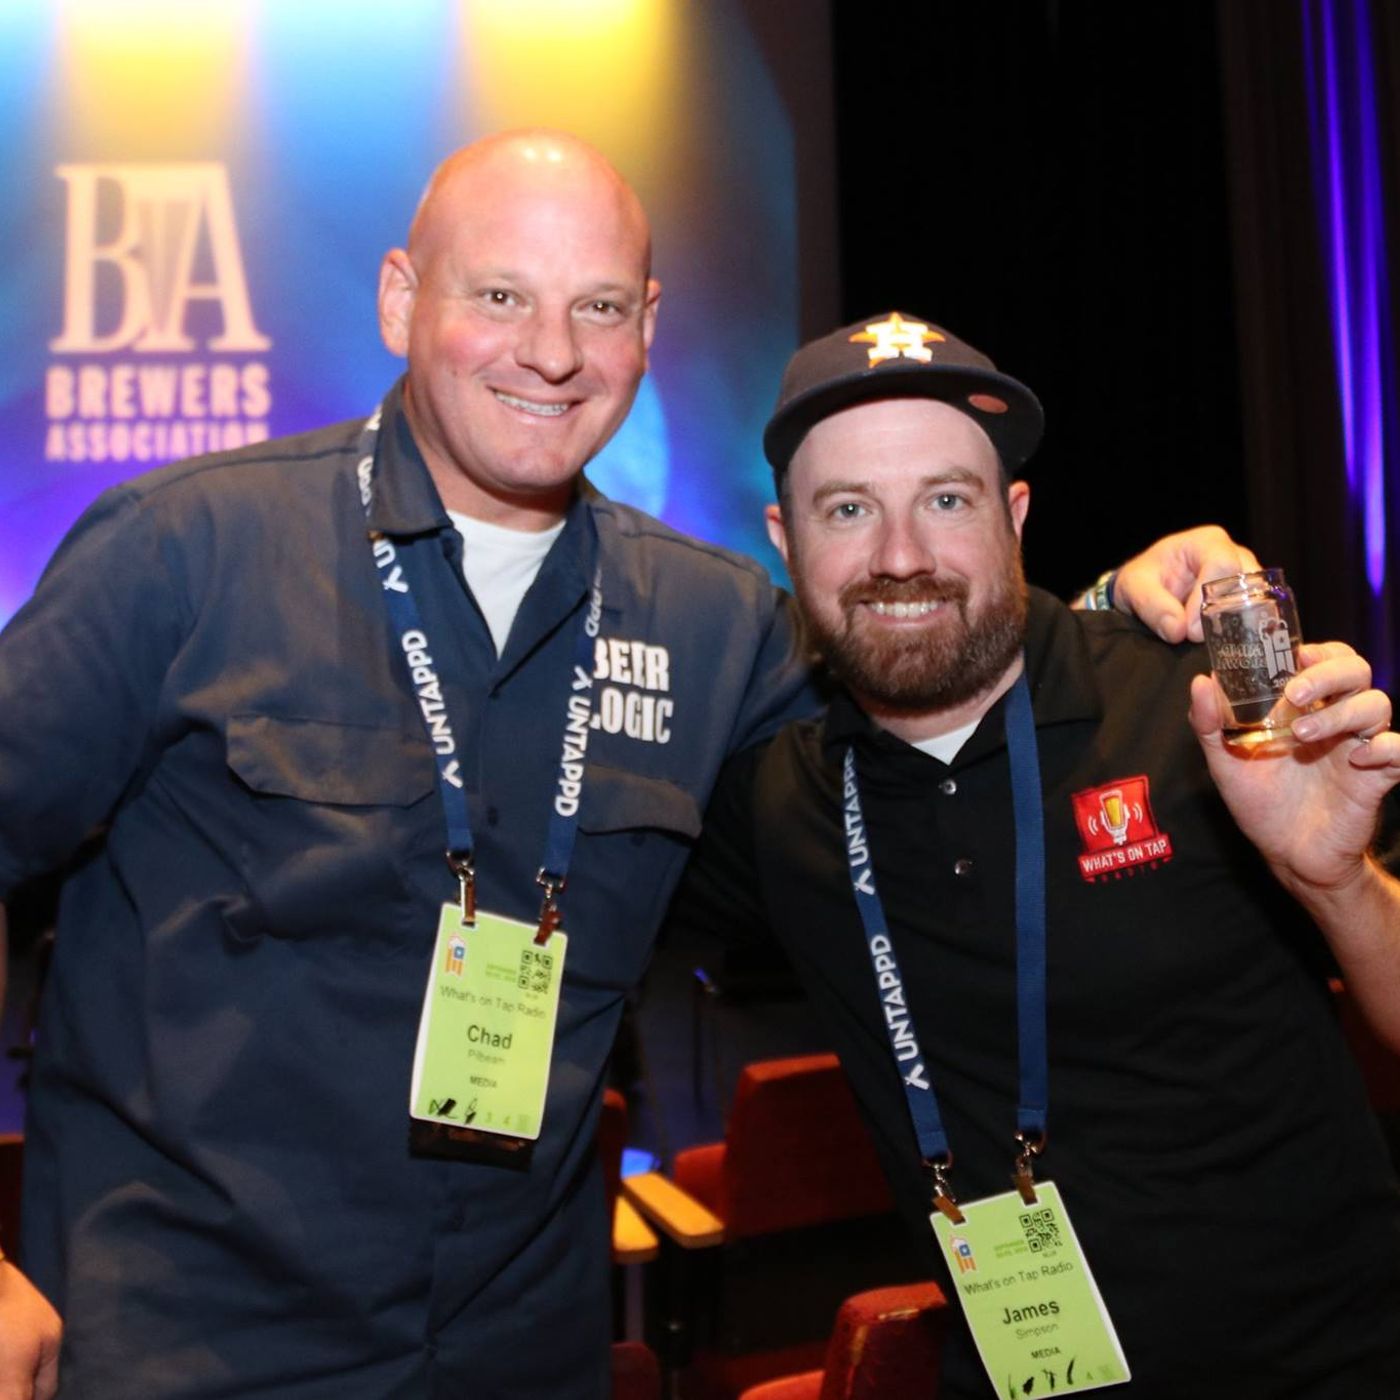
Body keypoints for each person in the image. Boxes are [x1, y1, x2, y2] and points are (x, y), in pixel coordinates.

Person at [0, 134, 1257, 1400]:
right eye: (499, 295)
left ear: (646, 324)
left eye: (596, 305)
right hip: (176, 1343)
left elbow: (930, 707)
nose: (550, 351)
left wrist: (1108, 609)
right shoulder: (185, 548)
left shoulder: (713, 622)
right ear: (398, 298)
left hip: (516, 1354)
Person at [670, 313, 1400, 1399]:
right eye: (847, 508)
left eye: (946, 499)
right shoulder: (779, 797)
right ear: (783, 539)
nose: (900, 554)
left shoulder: (1199, 709)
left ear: (1013, 514)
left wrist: (1335, 881)